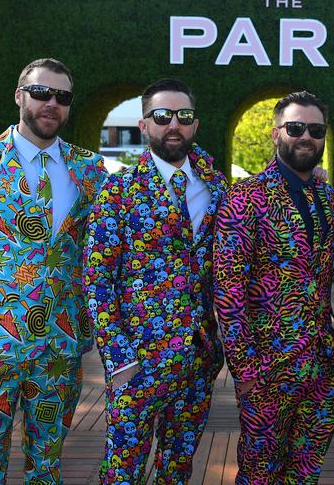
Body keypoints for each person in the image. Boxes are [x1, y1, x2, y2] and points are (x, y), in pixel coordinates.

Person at [0, 58, 106, 483]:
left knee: (47, 469)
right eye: (42, 93)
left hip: (60, 347)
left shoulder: (90, 170)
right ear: (20, 96)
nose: (51, 103)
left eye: (62, 97)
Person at [82, 78, 226, 484]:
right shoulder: (119, 189)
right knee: (122, 471)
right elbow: (97, 279)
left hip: (198, 361)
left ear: (195, 124)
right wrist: (119, 359)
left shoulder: (216, 187)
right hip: (137, 361)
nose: (174, 125)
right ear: (144, 125)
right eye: (162, 116)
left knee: (178, 469)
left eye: (184, 116)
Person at [213, 91, 334, 483]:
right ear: (275, 133)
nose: (306, 136)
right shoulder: (245, 197)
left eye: (315, 129)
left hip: (322, 367)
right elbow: (228, 292)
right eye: (295, 127)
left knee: (305, 472)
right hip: (267, 370)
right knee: (258, 473)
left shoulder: (328, 197)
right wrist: (246, 371)